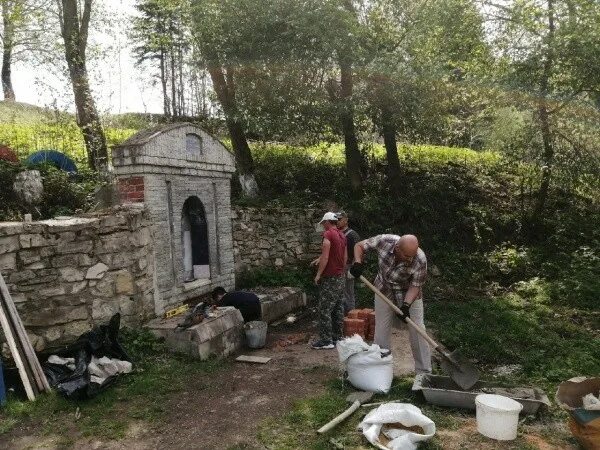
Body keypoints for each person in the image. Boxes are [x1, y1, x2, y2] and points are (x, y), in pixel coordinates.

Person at [350, 234, 432, 389]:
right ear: (397, 249)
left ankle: (424, 374)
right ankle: (382, 369)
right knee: (381, 329)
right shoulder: (384, 241)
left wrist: (406, 305)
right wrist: (358, 262)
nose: (410, 259)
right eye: (407, 256)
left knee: (418, 331)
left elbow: (415, 286)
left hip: (408, 292)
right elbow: (359, 246)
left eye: (412, 256)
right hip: (383, 290)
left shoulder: (420, 259)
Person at [310, 212, 347, 349]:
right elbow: (344, 256)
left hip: (330, 277)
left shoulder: (328, 234)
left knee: (324, 309)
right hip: (340, 276)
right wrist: (340, 270)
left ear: (327, 222)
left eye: (323, 223)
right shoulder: (342, 234)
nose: (323, 225)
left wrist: (318, 274)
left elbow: (325, 257)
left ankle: (326, 341)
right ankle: (338, 337)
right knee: (338, 307)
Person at [335, 211, 360, 314]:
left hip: (348, 265)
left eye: (339, 219)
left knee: (349, 293)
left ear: (346, 220)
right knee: (340, 292)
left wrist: (353, 268)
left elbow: (359, 252)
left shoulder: (352, 235)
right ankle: (342, 315)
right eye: (336, 219)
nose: (337, 222)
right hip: (339, 266)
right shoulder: (337, 233)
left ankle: (351, 315)